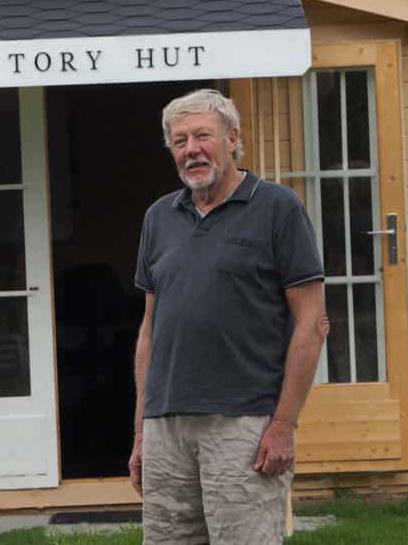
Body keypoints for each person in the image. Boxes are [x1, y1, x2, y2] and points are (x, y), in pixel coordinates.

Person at [128, 89, 329, 544]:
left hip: (243, 424)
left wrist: (284, 425)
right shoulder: (159, 217)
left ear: (232, 139)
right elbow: (149, 331)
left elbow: (312, 324)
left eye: (203, 136)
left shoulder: (278, 208)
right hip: (167, 426)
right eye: (179, 142)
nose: (191, 149)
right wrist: (142, 431)